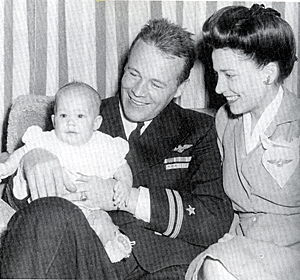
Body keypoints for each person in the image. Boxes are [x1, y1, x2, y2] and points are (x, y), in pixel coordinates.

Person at [0, 18, 233, 279]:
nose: (137, 91)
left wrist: (124, 196)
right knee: (49, 212)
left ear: (180, 88)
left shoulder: (199, 129)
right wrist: (29, 162)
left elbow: (214, 218)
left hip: (160, 266)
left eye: (156, 84)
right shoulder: (82, 114)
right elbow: (18, 207)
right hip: (85, 254)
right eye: (133, 74)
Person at [186, 4, 300, 280]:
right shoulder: (225, 121)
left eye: (230, 75)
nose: (218, 88)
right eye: (216, 74)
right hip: (240, 248)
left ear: (268, 74)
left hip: (292, 256)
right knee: (214, 266)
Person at [0, 81, 135, 263]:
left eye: (80, 116)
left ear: (96, 123)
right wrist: (6, 167)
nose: (70, 122)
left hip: (89, 208)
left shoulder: (104, 145)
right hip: (50, 206)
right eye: (64, 115)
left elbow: (121, 167)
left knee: (102, 220)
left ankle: (113, 244)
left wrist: (125, 184)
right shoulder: (47, 140)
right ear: (54, 120)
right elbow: (22, 154)